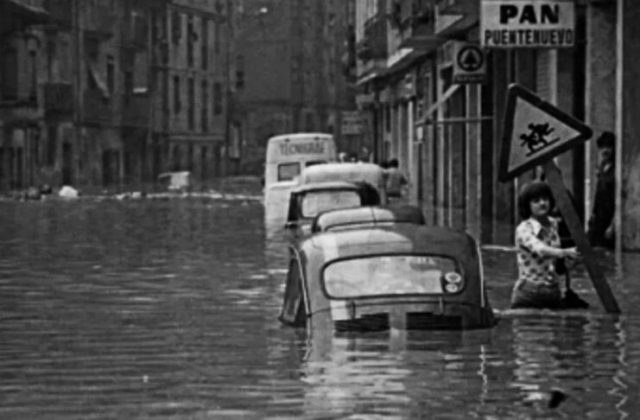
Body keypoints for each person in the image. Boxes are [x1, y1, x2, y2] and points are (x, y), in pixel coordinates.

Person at [511, 180, 580, 310]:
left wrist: (571, 260)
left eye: (545, 199)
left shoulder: (554, 224)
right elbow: (540, 249)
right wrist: (566, 252)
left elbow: (556, 263)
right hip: (528, 293)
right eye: (536, 201)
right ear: (528, 206)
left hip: (553, 291)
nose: (542, 203)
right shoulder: (524, 229)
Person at [587, 131, 615, 249]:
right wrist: (593, 214)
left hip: (609, 221)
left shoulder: (616, 170)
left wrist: (613, 225)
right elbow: (598, 195)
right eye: (602, 147)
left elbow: (620, 201)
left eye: (608, 147)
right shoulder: (602, 168)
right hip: (599, 221)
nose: (605, 150)